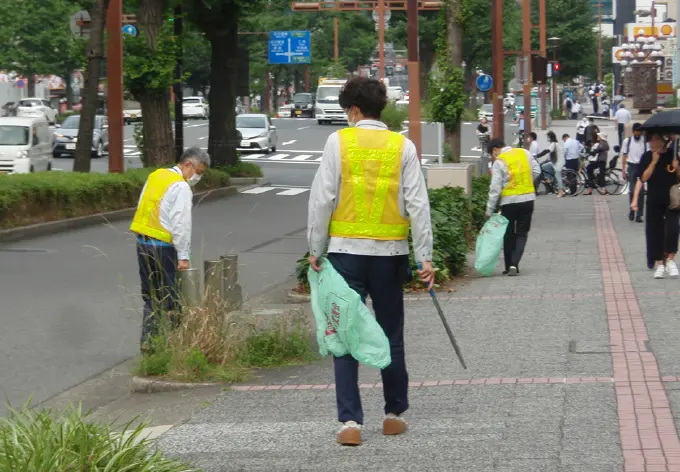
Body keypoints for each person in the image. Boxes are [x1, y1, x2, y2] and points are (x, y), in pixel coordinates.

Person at [306, 76, 435, 447]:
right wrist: (424, 256)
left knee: (344, 334)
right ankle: (393, 414)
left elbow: (322, 197)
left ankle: (350, 422)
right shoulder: (402, 146)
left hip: (345, 254)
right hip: (390, 254)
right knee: (391, 333)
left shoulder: (338, 142)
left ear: (356, 110)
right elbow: (418, 204)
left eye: (348, 110)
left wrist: (315, 248)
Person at [130, 147, 210, 352]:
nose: (197, 178)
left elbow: (141, 204)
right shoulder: (181, 187)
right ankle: (172, 346)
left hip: (142, 243)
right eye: (199, 172)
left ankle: (148, 341)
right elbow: (181, 224)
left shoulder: (156, 176)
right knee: (170, 298)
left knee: (151, 296)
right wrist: (183, 256)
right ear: (187, 165)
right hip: (164, 248)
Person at [486, 138, 541, 276]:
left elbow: (495, 188)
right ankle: (514, 264)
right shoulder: (524, 153)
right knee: (522, 233)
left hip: (508, 201)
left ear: (495, 150)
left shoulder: (499, 161)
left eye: (492, 155)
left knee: (509, 234)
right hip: (528, 198)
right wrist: (526, 183)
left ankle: (508, 265)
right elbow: (536, 171)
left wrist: (489, 210)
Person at [632, 132, 680, 278]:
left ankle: (671, 260)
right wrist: (653, 162)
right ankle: (659, 263)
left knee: (673, 229)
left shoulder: (673, 154)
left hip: (672, 198)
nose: (652, 144)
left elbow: (678, 177)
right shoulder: (647, 156)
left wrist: (677, 167)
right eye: (650, 141)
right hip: (654, 198)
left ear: (663, 141)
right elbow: (643, 178)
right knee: (655, 231)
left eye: (655, 140)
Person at [622, 123, 646, 222]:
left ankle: (639, 214)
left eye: (639, 131)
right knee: (632, 191)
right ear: (633, 131)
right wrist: (623, 170)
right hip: (631, 166)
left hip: (641, 167)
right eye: (636, 131)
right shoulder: (627, 141)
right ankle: (632, 210)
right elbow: (624, 156)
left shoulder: (645, 141)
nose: (638, 133)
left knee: (641, 192)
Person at [536, 131, 566, 197]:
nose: (547, 138)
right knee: (543, 166)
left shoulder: (553, 144)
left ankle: (561, 192)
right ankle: (549, 179)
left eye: (547, 137)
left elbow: (546, 151)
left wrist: (537, 156)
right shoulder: (553, 144)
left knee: (558, 177)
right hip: (554, 162)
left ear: (550, 137)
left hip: (559, 163)